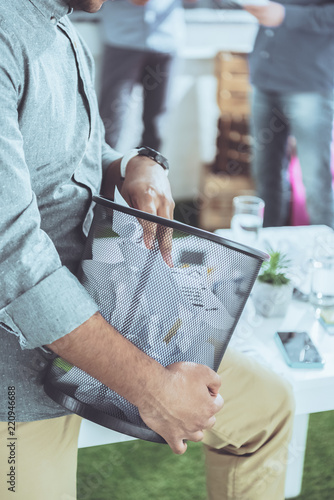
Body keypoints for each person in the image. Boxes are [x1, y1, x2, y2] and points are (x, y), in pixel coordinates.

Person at [0, 1, 294, 499]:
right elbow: (13, 259)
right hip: (14, 380)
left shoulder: (60, 24)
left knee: (267, 410)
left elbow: (76, 152)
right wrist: (152, 388)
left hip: (110, 314)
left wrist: (135, 163)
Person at [244, 0, 334, 228]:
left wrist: (286, 15)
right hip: (264, 80)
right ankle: (267, 257)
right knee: (266, 179)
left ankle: (327, 257)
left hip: (309, 84)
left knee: (316, 184)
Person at [98, 0, 186, 151]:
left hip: (166, 41)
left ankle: (148, 170)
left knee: (157, 121)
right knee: (111, 116)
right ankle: (103, 170)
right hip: (123, 40)